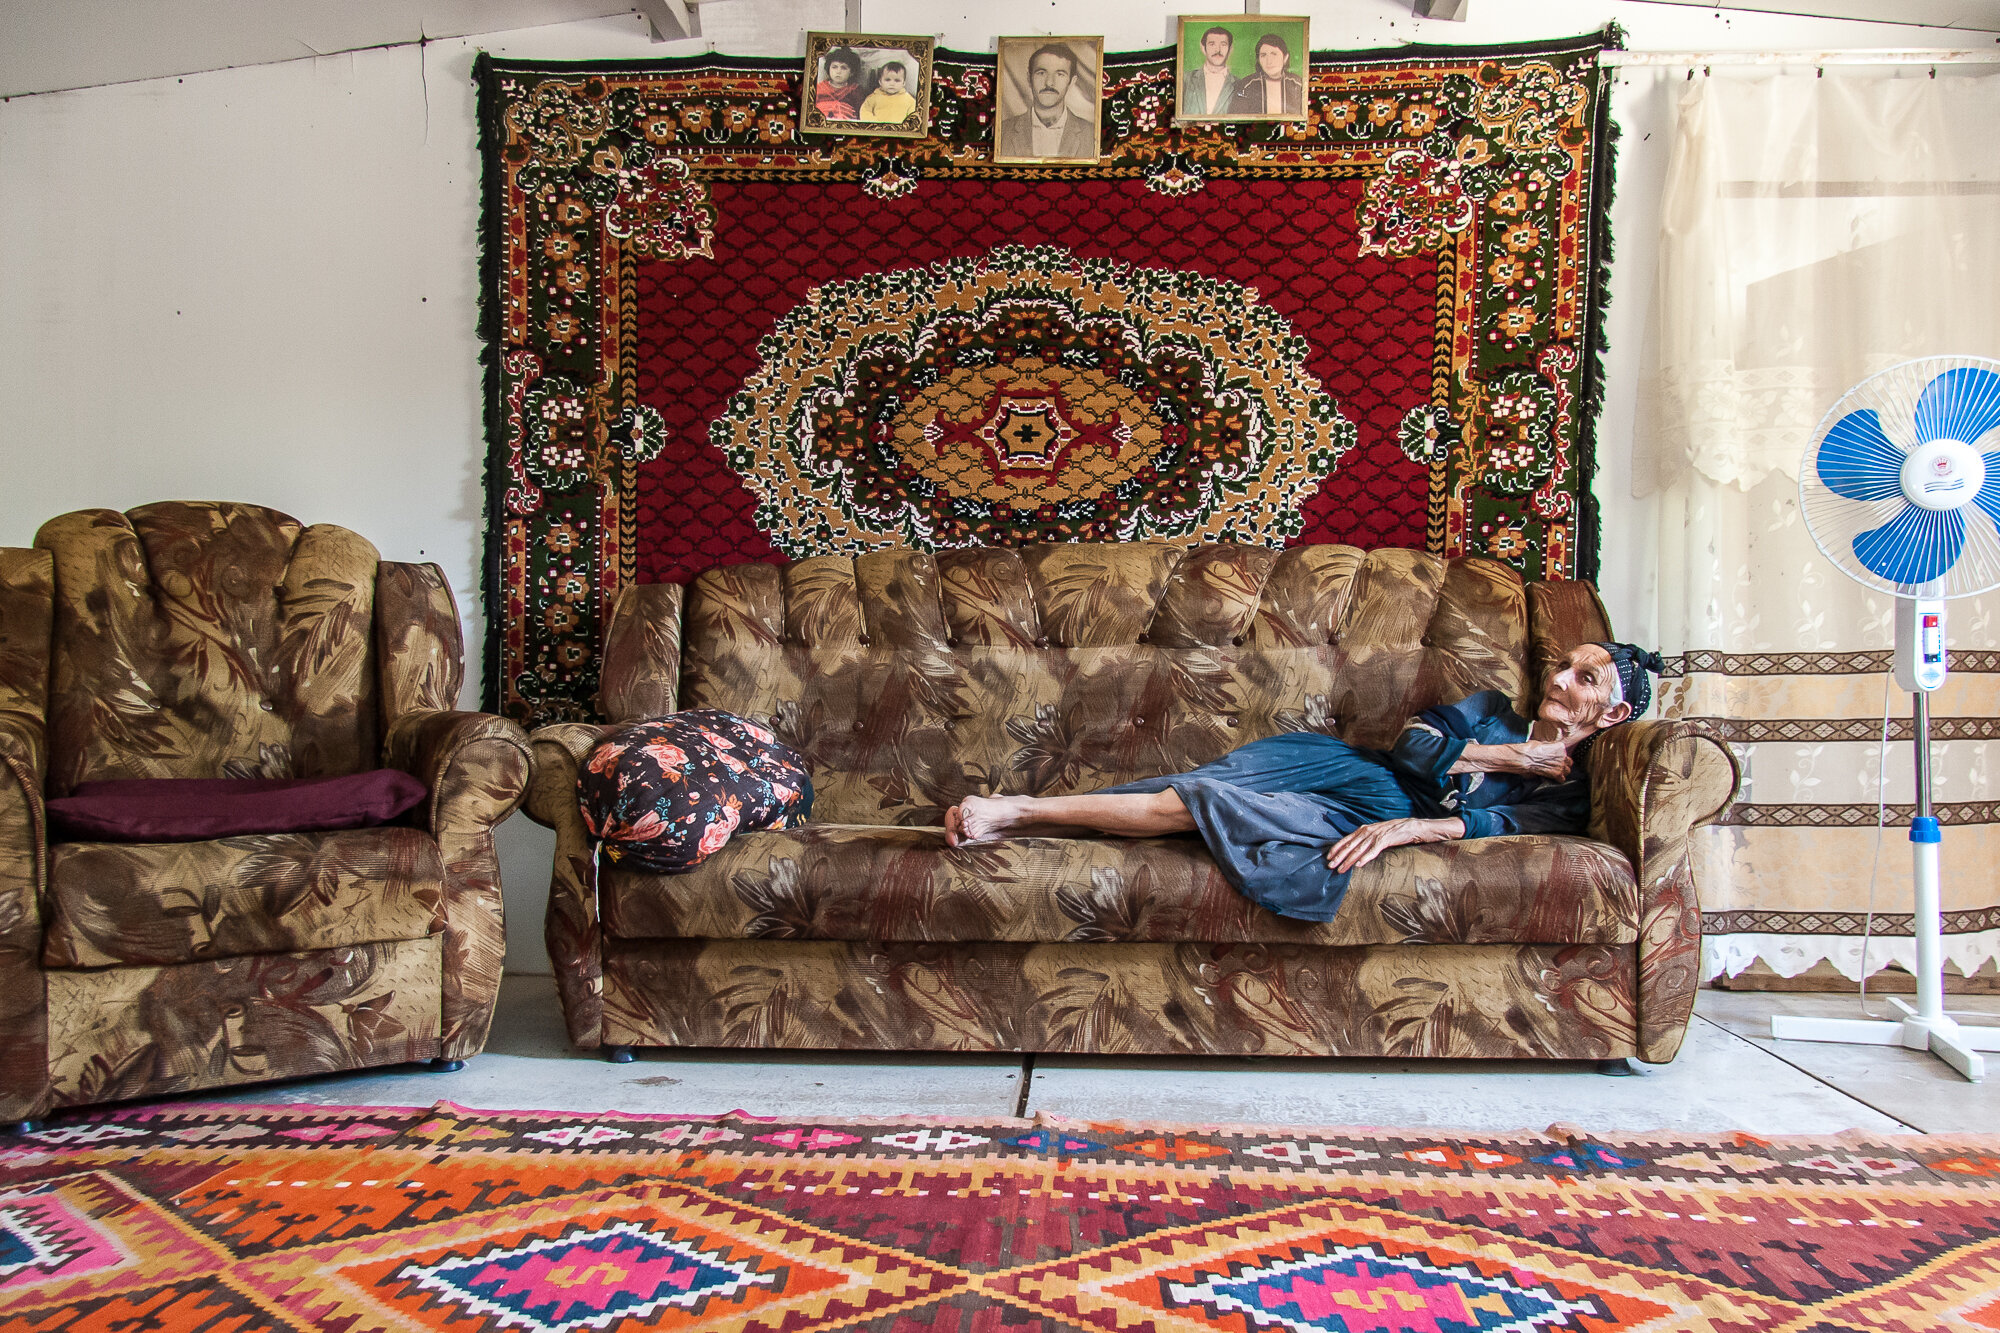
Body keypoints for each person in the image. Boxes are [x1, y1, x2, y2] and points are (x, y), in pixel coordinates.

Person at [943, 642, 1666, 922]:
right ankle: (1018, 814)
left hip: (1387, 806)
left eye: (1584, 678)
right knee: (1197, 782)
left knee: (1207, 803)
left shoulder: (1576, 785)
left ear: (1617, 711)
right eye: (1565, 665)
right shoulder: (1493, 714)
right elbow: (1413, 744)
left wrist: (1414, 827)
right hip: (1350, 766)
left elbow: (1501, 826)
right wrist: (1510, 757)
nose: (1559, 678)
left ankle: (1021, 812)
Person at [998, 43, 1097, 160]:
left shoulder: (1091, 134)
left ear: (1071, 82)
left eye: (1060, 74)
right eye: (1041, 73)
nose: (1049, 83)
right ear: (1029, 79)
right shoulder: (1003, 132)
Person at [1227, 32, 1305, 116]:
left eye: (1274, 54)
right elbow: (1236, 118)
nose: (1269, 61)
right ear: (1258, 60)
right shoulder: (1246, 85)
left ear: (1285, 58)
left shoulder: (1298, 84)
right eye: (1263, 55)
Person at [1180, 26, 1239, 118]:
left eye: (1223, 44)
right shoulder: (1185, 79)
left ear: (1230, 49)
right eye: (1212, 44)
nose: (1218, 50)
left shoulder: (1240, 85)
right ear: (1203, 48)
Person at [859, 59, 916, 123]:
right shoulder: (873, 97)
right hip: (877, 130)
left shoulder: (909, 100)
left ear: (903, 83)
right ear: (880, 82)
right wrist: (875, 124)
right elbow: (865, 112)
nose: (892, 84)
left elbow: (913, 118)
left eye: (897, 80)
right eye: (887, 80)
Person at [815, 47, 865, 121]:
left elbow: (860, 114)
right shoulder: (819, 88)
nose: (838, 71)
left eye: (844, 68)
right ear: (828, 69)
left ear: (852, 72)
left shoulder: (855, 90)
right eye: (834, 67)